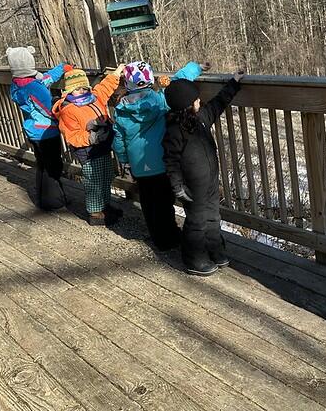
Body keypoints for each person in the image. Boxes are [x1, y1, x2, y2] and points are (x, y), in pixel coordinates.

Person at [113, 60, 206, 250]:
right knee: (164, 202)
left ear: (127, 83)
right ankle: (170, 237)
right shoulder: (160, 100)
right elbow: (180, 80)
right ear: (149, 78)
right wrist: (197, 67)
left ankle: (158, 237)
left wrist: (124, 160)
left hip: (139, 165)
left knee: (148, 202)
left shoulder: (121, 110)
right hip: (161, 162)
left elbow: (118, 139)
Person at [162, 68, 245, 276]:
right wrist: (178, 187)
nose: (200, 102)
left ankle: (214, 250)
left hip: (209, 181)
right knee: (197, 221)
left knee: (213, 216)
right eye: (196, 100)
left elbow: (219, 103)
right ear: (186, 105)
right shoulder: (174, 131)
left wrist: (234, 82)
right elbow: (170, 161)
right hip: (191, 186)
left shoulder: (201, 118)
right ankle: (194, 258)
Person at [53, 65, 124, 225]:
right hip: (88, 152)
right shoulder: (68, 110)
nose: (83, 92)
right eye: (78, 89)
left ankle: (104, 206)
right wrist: (92, 137)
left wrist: (117, 73)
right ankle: (95, 213)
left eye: (85, 88)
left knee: (106, 178)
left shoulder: (94, 97)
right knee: (93, 181)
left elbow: (105, 87)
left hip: (104, 147)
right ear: (69, 91)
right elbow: (72, 136)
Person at [6, 46, 71, 210]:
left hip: (33, 130)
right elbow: (50, 109)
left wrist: (62, 68)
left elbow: (46, 79)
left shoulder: (17, 84)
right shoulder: (34, 87)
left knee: (42, 164)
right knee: (53, 167)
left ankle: (45, 198)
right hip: (46, 133)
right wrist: (62, 101)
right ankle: (54, 202)